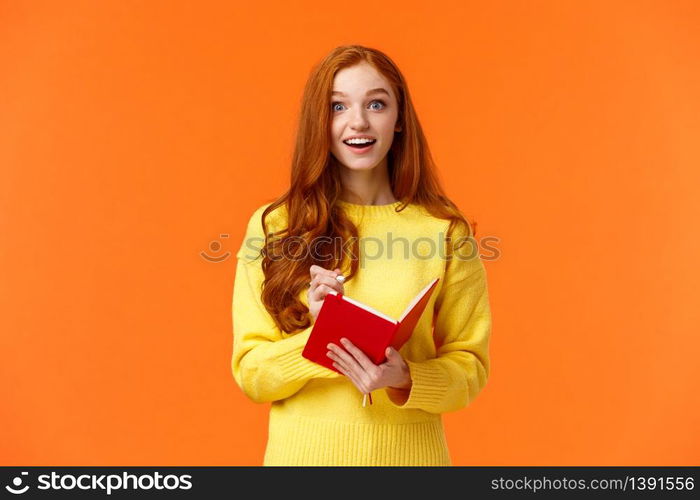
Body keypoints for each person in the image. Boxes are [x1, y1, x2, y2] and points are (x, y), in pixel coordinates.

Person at [231, 45, 492, 466]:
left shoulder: (445, 231)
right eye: (338, 106)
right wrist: (319, 339)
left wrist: (407, 377)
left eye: (376, 103)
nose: (359, 122)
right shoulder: (274, 226)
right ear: (320, 120)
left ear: (400, 118)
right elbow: (252, 375)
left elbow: (470, 367)